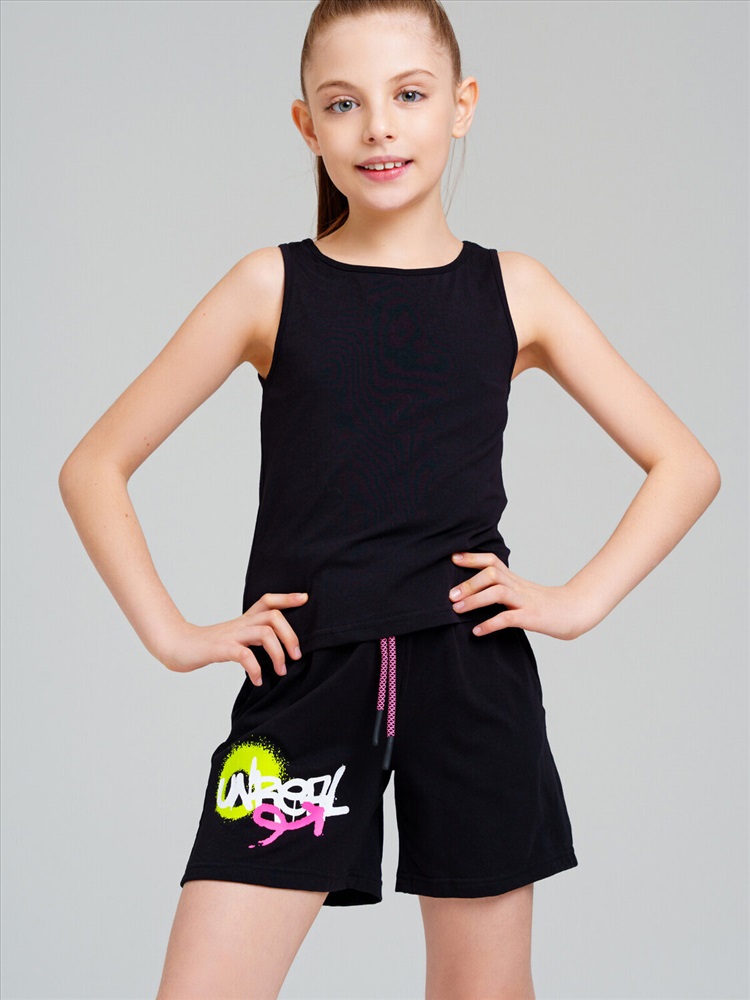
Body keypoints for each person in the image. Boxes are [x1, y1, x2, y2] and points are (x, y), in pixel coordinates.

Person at [58, 0, 721, 997]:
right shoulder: (268, 286)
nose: (378, 127)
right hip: (307, 677)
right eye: (344, 103)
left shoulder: (516, 290)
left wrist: (578, 601)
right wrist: (172, 635)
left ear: (461, 105)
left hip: (473, 680)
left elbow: (685, 463)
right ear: (306, 125)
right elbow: (94, 464)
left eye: (409, 95)